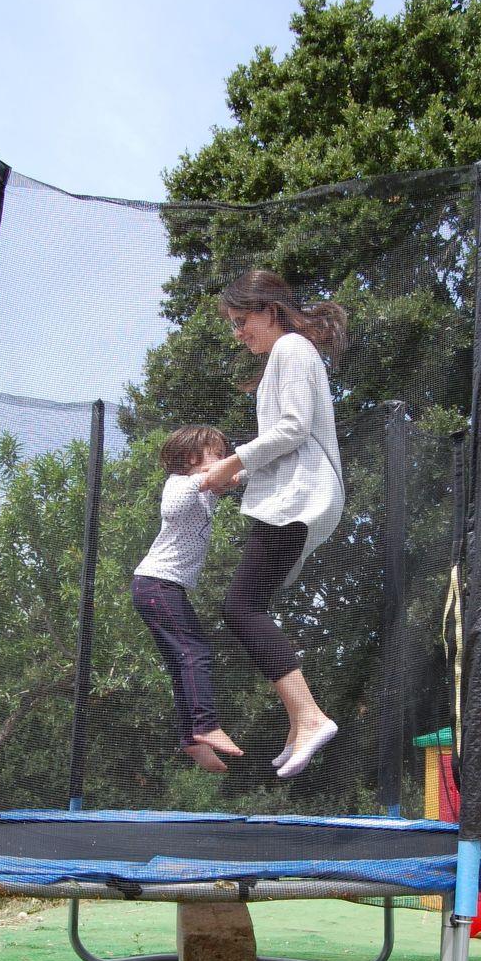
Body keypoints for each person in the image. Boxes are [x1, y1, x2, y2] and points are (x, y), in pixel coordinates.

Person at [197, 270, 346, 780]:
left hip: (300, 499)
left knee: (240, 607)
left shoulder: (292, 349)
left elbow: (293, 428)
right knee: (247, 606)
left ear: (269, 310)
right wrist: (237, 477)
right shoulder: (288, 355)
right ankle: (300, 720)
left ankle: (310, 716)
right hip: (294, 495)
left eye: (242, 321)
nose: (238, 333)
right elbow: (288, 443)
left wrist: (231, 462)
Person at [132, 425, 243, 773]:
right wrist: (204, 479)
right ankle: (205, 725)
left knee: (182, 661)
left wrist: (239, 471)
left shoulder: (204, 489)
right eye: (216, 454)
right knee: (195, 652)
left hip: (162, 588)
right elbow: (173, 508)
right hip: (157, 584)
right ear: (192, 458)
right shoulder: (179, 484)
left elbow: (236, 475)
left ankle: (191, 739)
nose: (222, 459)